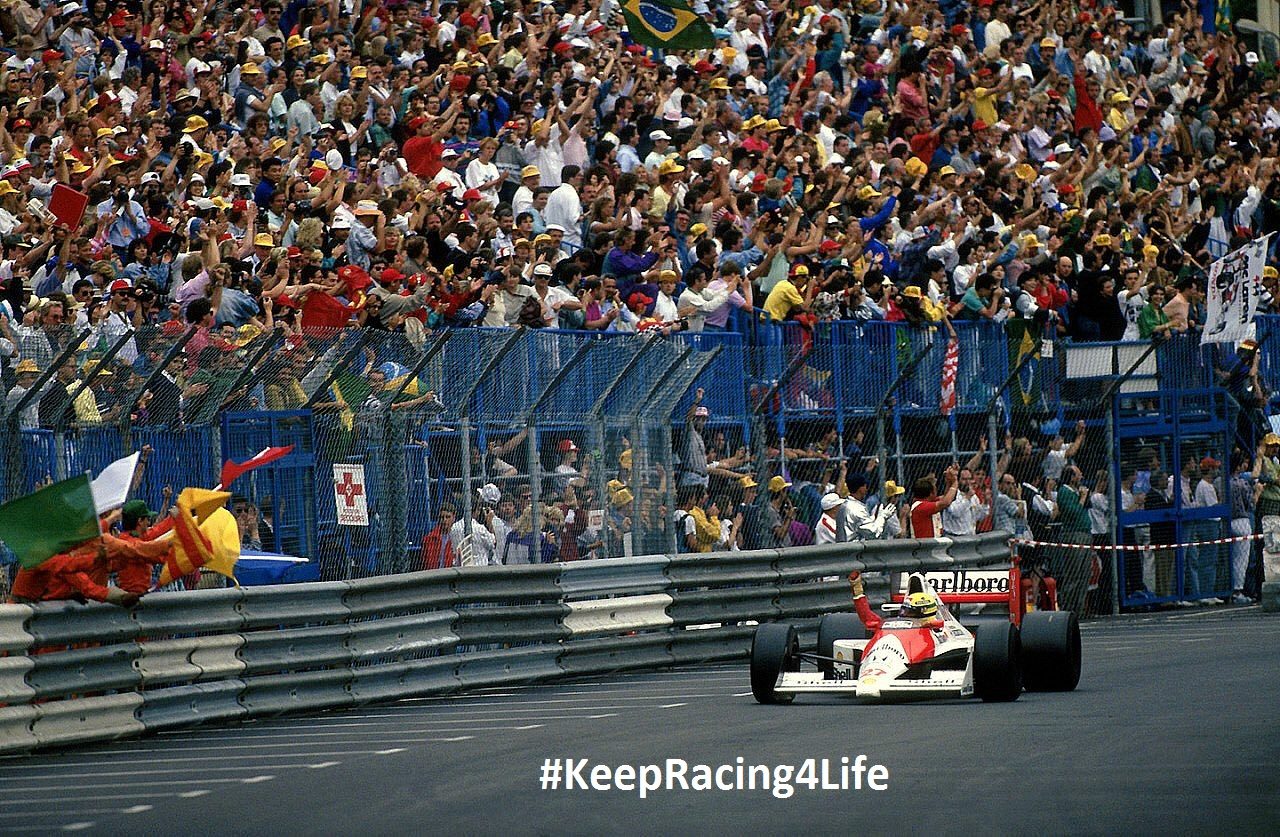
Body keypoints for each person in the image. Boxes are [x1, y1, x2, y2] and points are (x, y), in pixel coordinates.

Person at [906, 465, 959, 539]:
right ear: (931, 493)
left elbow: (946, 497)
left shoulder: (928, 502)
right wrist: (955, 482)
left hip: (933, 545)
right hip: (925, 547)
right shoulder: (920, 506)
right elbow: (946, 502)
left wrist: (949, 481)